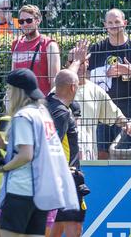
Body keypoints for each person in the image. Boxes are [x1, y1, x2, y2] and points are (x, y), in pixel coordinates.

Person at [0, 68, 79, 237]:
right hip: (40, 195)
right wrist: (6, 145)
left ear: (17, 91)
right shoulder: (43, 114)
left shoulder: (22, 116)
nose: (7, 93)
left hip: (20, 192)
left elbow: (26, 155)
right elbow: (40, 150)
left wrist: (1, 169)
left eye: (9, 89)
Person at [87, 8, 131, 160]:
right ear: (105, 25)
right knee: (102, 153)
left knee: (124, 153)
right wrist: (103, 72)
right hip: (102, 107)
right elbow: (85, 75)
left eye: (117, 22)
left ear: (125, 23)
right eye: (110, 22)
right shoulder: (97, 48)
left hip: (127, 108)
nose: (113, 25)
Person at [72, 47, 131, 161]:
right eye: (73, 62)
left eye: (81, 62)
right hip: (66, 154)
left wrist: (127, 124)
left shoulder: (96, 90)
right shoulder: (58, 90)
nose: (78, 66)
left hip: (88, 156)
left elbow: (114, 114)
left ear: (87, 63)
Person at [48, 69, 87, 237]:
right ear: (72, 87)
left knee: (57, 227)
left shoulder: (46, 102)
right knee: (74, 229)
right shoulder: (62, 113)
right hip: (65, 180)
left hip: (55, 179)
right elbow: (50, 144)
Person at [11, 4, 60, 95]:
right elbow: (13, 76)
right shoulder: (16, 44)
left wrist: (51, 105)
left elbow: (54, 82)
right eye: (21, 21)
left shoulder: (49, 45)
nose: (25, 24)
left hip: (41, 104)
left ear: (38, 21)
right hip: (19, 103)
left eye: (29, 20)